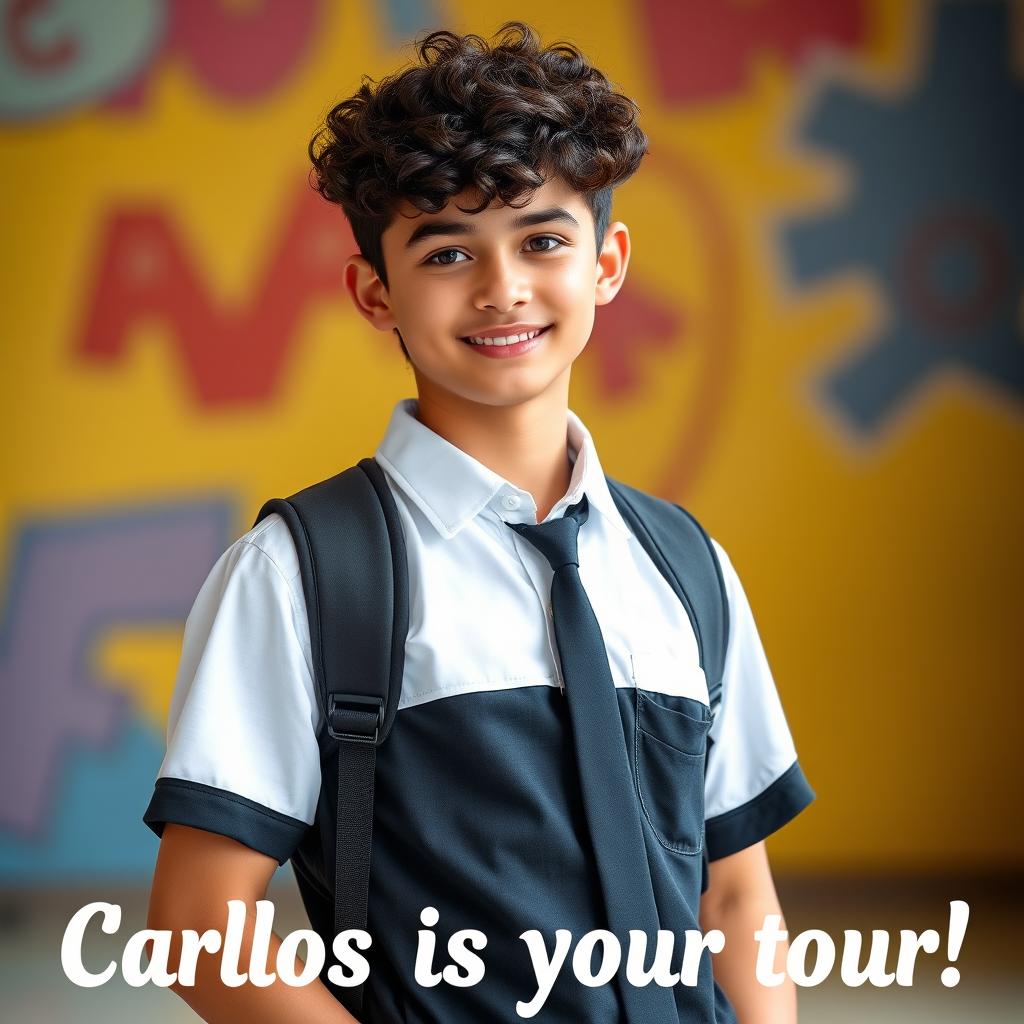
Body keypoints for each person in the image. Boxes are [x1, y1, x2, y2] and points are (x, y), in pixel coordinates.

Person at [145, 21, 814, 1023]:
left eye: (543, 239)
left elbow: (733, 891)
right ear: (376, 294)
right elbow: (202, 924)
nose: (503, 288)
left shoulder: (685, 566)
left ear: (607, 263)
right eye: (447, 250)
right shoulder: (303, 573)